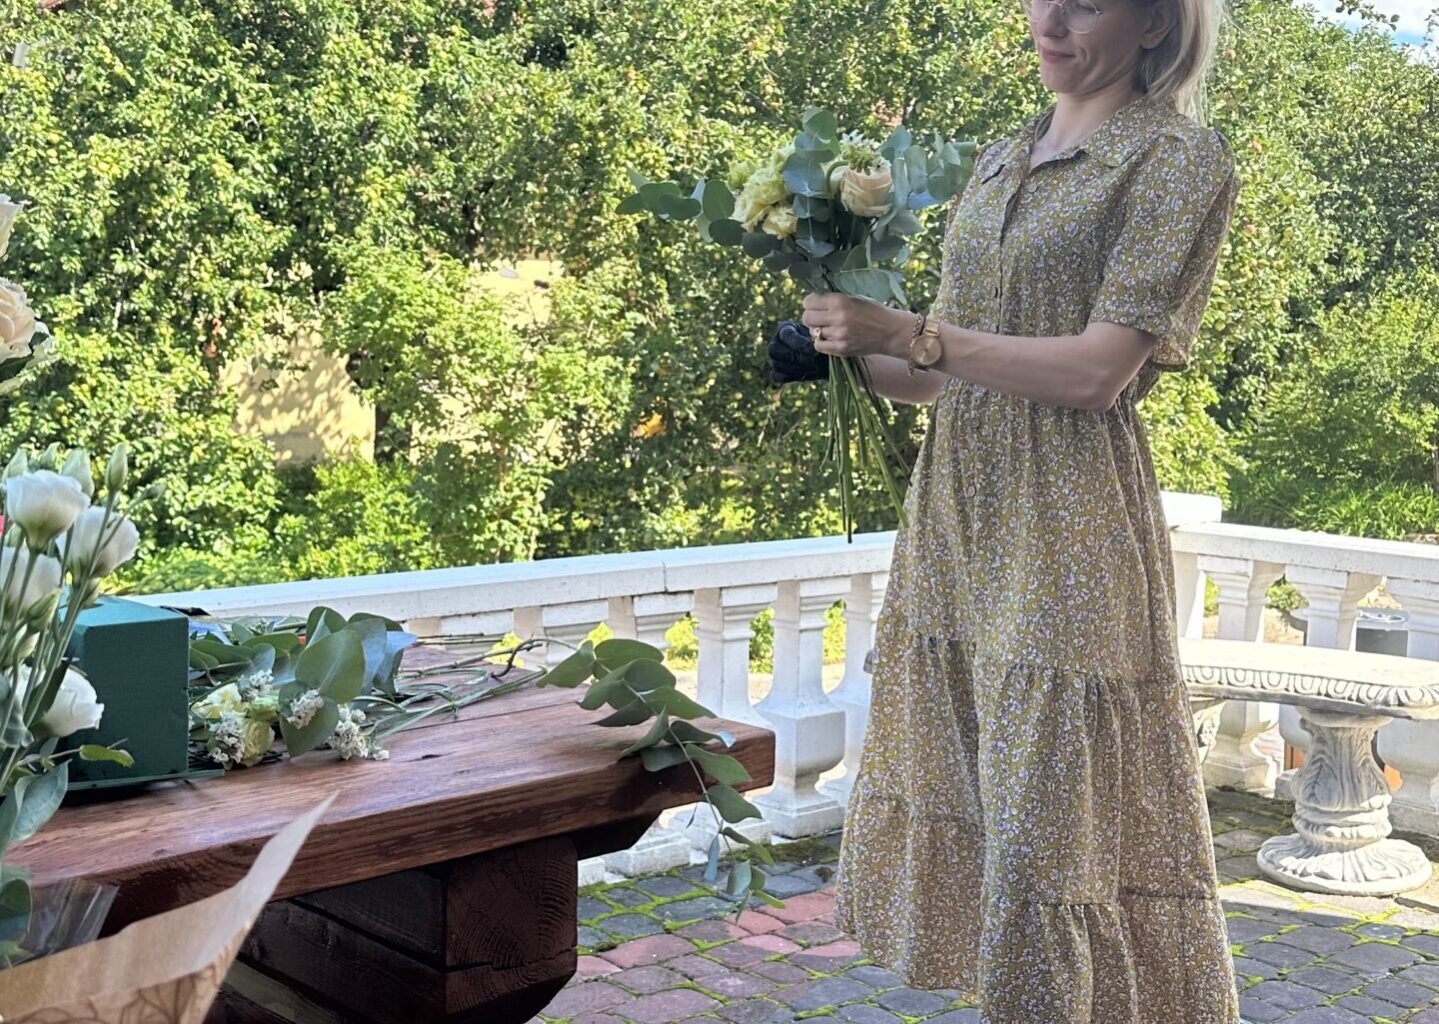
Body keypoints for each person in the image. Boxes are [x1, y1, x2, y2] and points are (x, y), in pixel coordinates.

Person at [769, 0, 1244, 1020]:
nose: (1050, 20)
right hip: (957, 511)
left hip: (1065, 518)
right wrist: (842, 349)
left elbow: (1094, 374)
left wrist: (910, 331)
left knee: (1049, 824)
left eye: (1086, 4)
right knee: (982, 804)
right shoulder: (999, 159)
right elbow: (938, 377)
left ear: (1154, 25)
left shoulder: (1175, 160)